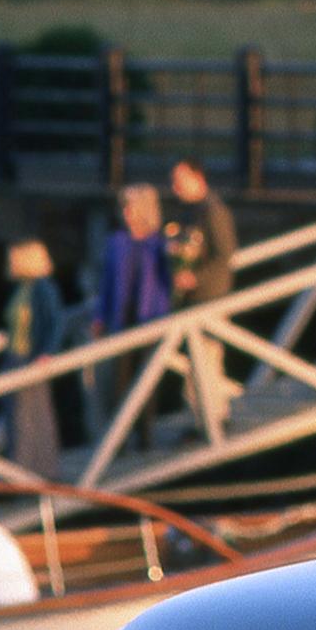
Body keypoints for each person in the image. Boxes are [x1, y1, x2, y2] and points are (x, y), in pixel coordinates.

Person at [93, 184, 173, 448]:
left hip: (150, 317)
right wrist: (99, 316)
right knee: (119, 382)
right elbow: (106, 284)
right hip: (122, 318)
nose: (126, 212)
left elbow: (168, 281)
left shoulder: (159, 243)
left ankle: (145, 438)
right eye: (124, 207)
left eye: (131, 207)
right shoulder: (116, 242)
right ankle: (119, 440)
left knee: (146, 381)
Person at [167, 159, 240, 427]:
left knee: (207, 360)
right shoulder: (190, 212)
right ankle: (202, 420)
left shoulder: (214, 211)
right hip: (193, 301)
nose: (174, 187)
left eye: (180, 180)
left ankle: (214, 420)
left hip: (210, 298)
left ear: (198, 178)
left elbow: (225, 255)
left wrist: (195, 277)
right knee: (196, 363)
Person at [0, 240, 65, 481]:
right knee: (15, 418)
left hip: (29, 359)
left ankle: (31, 474)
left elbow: (56, 322)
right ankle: (21, 472)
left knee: (31, 419)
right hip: (14, 358)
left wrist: (47, 352)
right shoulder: (23, 287)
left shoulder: (43, 288)